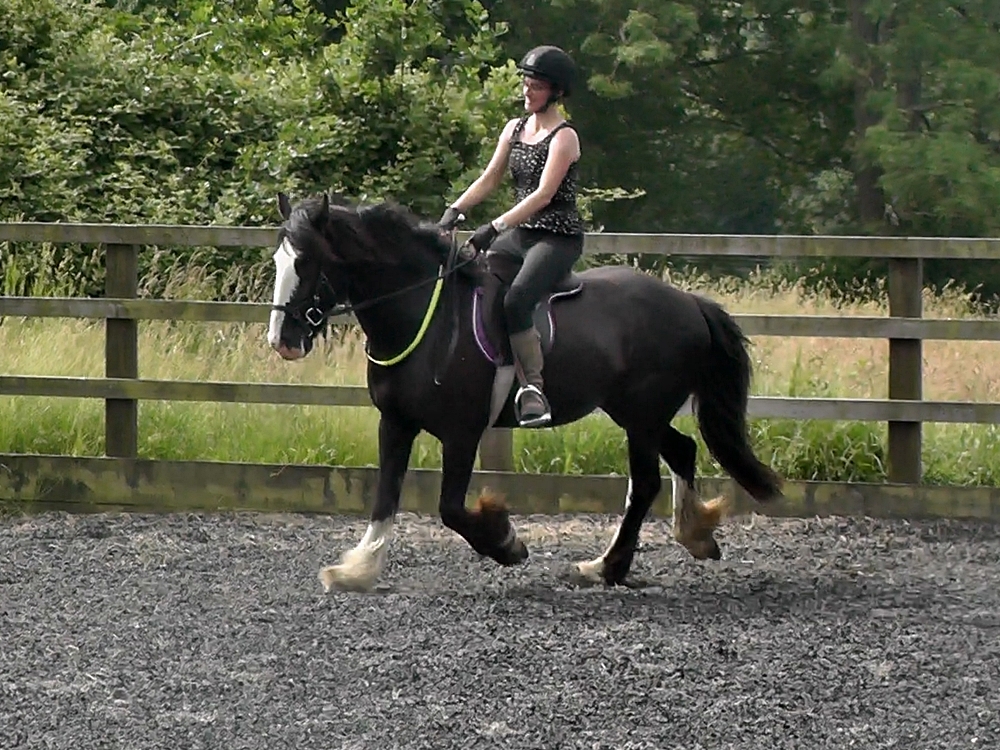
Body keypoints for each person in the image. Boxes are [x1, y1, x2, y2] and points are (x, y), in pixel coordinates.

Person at [437, 45, 584, 429]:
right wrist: (455, 210)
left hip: (556, 237)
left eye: (536, 86)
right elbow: (489, 179)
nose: (527, 91)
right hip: (521, 234)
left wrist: (494, 227)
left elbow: (543, 195)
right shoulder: (515, 129)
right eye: (526, 84)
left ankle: (533, 387)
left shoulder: (564, 137)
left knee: (517, 299)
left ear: (556, 91)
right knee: (471, 276)